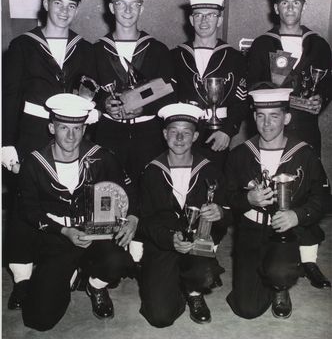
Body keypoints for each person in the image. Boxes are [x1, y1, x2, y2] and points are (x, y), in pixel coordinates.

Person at [3, 0, 98, 311]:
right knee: (23, 206)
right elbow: (10, 96)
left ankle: (71, 267)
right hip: (31, 133)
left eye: (71, 6)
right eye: (58, 4)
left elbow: (90, 88)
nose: (64, 12)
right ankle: (22, 278)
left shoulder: (84, 47)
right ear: (46, 5)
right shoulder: (22, 45)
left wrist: (92, 111)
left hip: (70, 133)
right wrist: (6, 143)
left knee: (68, 198)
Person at [17, 94, 138, 331]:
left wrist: (132, 217)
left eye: (77, 128)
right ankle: (69, 274)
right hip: (57, 236)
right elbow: (29, 211)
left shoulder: (101, 156)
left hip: (96, 232)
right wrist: (64, 231)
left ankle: (95, 284)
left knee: (119, 261)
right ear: (52, 128)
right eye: (64, 127)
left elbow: (129, 189)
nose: (71, 136)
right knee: (38, 320)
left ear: (85, 129)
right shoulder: (34, 163)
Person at [247, 0, 331, 288]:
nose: (290, 8)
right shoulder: (261, 44)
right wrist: (290, 100)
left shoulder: (318, 44)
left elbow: (326, 85)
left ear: (304, 7)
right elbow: (254, 88)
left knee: (307, 190)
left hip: (305, 128)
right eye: (284, 3)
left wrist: (320, 100)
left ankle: (308, 261)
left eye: (296, 3)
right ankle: (269, 251)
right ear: (276, 8)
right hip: (270, 128)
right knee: (268, 187)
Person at [225, 87, 328, 320]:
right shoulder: (240, 154)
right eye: (261, 116)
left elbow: (322, 198)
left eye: (274, 116)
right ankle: (263, 276)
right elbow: (226, 198)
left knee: (279, 272)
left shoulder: (304, 154)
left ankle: (281, 286)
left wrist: (298, 216)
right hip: (251, 231)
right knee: (246, 309)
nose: (267, 124)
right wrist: (247, 199)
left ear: (287, 118)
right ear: (254, 118)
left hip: (286, 232)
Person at [139, 103, 230, 327]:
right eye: (173, 132)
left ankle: (194, 291)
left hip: (198, 245)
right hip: (164, 244)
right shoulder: (151, 171)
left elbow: (229, 212)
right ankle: (174, 285)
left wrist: (220, 213)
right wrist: (170, 239)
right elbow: (145, 222)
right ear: (164, 134)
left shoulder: (209, 170)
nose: (179, 138)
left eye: (186, 132)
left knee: (203, 273)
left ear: (196, 136)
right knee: (160, 317)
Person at [93, 0, 176, 185]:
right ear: (112, 8)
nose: (128, 10)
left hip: (148, 134)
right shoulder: (96, 50)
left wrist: (145, 107)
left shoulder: (158, 50)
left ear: (142, 8)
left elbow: (171, 93)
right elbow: (87, 92)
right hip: (109, 132)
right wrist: (105, 104)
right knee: (109, 193)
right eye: (121, 4)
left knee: (147, 193)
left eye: (134, 4)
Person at [171, 0, 248, 168]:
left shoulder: (234, 58)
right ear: (191, 20)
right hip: (184, 131)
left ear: (219, 21)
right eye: (199, 15)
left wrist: (228, 131)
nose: (204, 21)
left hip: (218, 133)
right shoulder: (175, 56)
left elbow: (241, 102)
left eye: (211, 15)